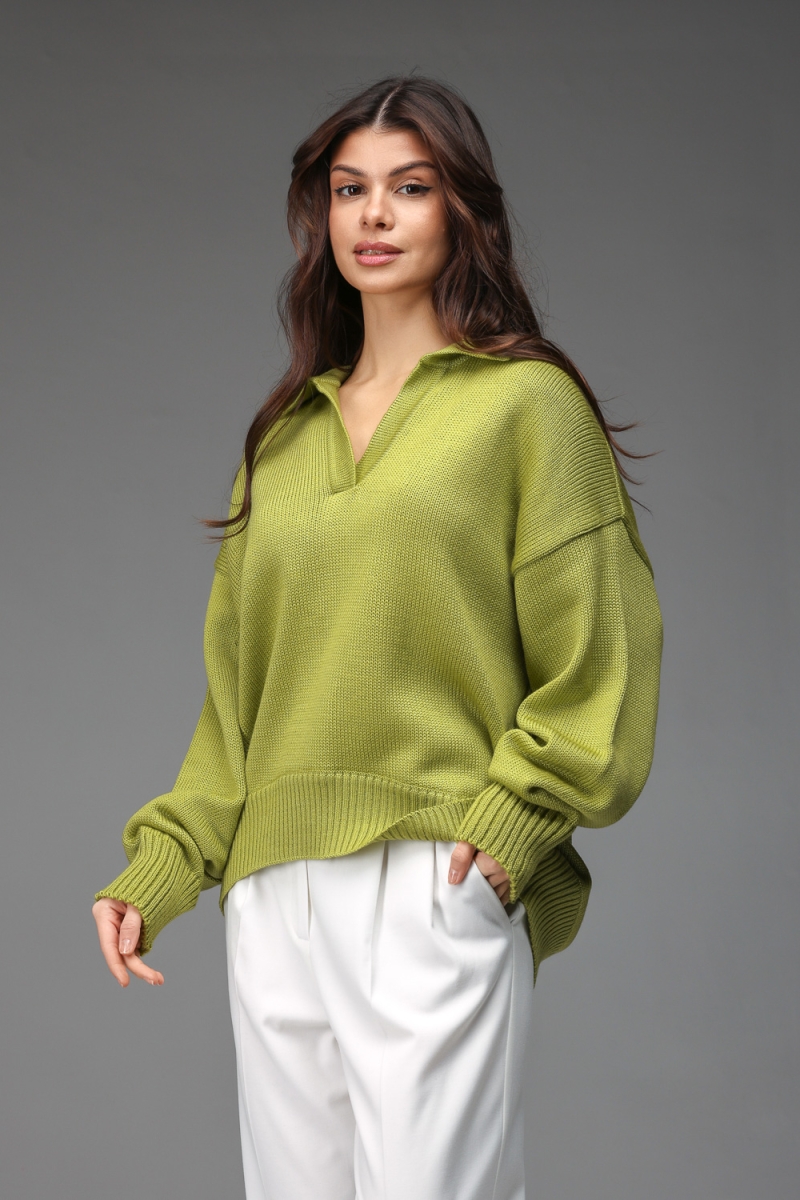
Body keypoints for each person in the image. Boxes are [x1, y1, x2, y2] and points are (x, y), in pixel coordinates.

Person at [92, 75, 663, 1200]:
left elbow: (603, 650)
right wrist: (161, 868)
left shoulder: (525, 407)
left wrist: (513, 824)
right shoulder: (282, 440)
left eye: (411, 186)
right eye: (350, 189)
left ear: (462, 209)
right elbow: (237, 706)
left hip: (432, 871)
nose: (375, 215)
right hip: (273, 895)